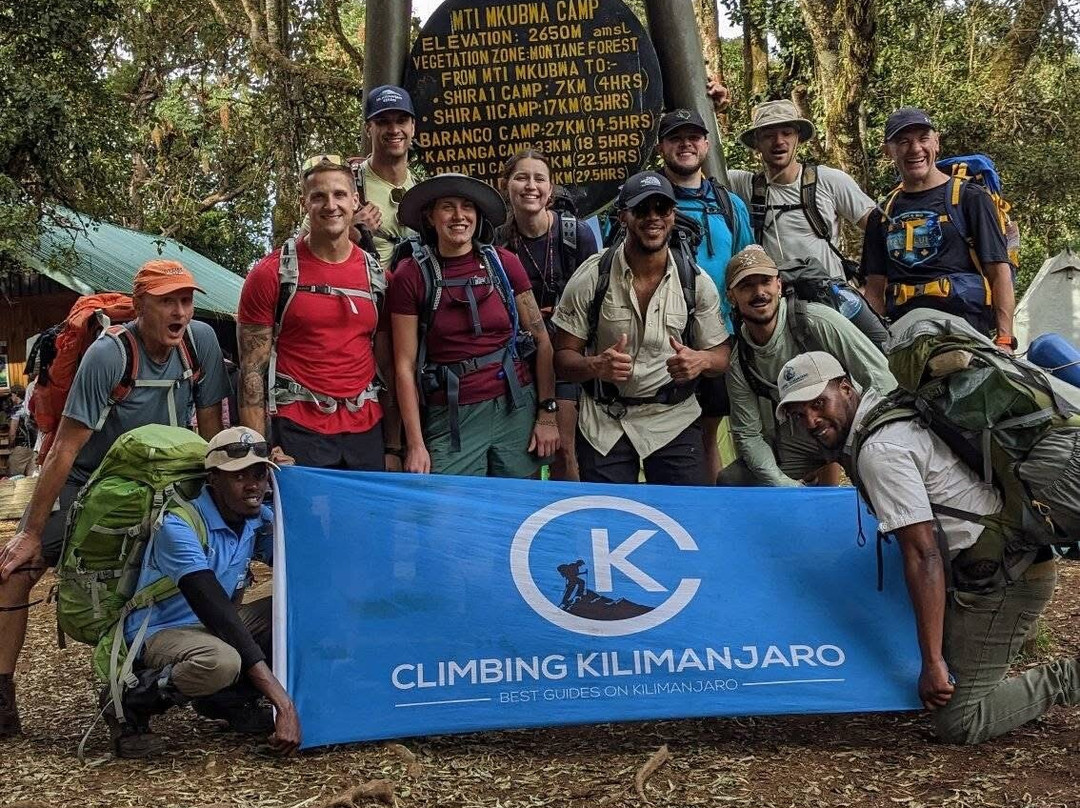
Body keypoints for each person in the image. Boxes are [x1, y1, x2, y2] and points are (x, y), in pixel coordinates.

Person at [777, 351, 1080, 744]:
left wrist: (932, 661)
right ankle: (1004, 642)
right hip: (1007, 559)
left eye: (819, 404)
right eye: (800, 415)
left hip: (1002, 579)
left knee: (960, 722)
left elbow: (924, 556)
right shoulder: (890, 413)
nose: (812, 422)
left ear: (846, 388)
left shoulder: (879, 450)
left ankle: (1069, 678)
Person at [0, 261, 230, 736]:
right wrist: (30, 533)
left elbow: (211, 430)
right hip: (90, 481)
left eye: (186, 300)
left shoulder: (200, 342)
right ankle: (2, 698)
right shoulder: (109, 355)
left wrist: (217, 503)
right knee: (14, 572)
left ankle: (147, 697)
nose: (180, 311)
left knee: (183, 574)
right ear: (141, 304)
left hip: (170, 479)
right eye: (167, 300)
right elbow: (65, 447)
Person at [103, 426, 300, 757]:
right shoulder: (178, 526)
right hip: (160, 631)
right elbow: (215, 611)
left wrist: (293, 492)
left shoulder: (255, 518)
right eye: (239, 476)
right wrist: (283, 702)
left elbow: (304, 562)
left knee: (294, 611)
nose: (253, 485)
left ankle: (228, 701)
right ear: (214, 480)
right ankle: (130, 703)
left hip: (212, 627)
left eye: (260, 473)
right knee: (220, 661)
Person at [553, 171, 732, 485]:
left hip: (673, 419)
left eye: (662, 208)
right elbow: (563, 358)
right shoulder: (593, 276)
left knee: (683, 520)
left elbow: (721, 356)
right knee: (610, 521)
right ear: (623, 216)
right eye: (642, 209)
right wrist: (595, 366)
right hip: (605, 423)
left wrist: (699, 361)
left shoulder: (695, 281)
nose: (653, 217)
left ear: (673, 216)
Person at [389, 173, 559, 477]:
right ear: (430, 216)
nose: (459, 216)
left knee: (516, 511)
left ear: (478, 215)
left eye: (467, 207)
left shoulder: (504, 263)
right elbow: (404, 365)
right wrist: (414, 443)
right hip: (452, 416)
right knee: (453, 515)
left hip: (514, 405)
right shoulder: (411, 276)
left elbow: (541, 339)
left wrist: (547, 413)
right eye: (447, 207)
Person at [239, 153, 400, 471]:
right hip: (297, 429)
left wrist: (394, 446)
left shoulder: (378, 277)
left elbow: (389, 365)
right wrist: (258, 452)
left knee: (361, 521)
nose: (331, 205)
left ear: (355, 201)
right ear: (304, 204)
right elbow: (251, 373)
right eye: (319, 196)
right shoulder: (271, 274)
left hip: (366, 429)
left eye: (340, 194)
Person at [719, 246, 895, 486]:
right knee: (734, 481)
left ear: (779, 285)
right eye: (747, 286)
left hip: (851, 425)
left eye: (766, 282)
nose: (759, 292)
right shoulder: (740, 359)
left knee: (881, 476)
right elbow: (748, 434)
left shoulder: (818, 321)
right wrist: (784, 486)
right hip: (800, 435)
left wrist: (874, 436)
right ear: (731, 297)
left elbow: (882, 378)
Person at [656, 109, 754, 483]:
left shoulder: (730, 204)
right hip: (665, 335)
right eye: (676, 137)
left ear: (706, 144)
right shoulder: (648, 201)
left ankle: (719, 504)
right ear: (662, 146)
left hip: (721, 336)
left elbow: (746, 265)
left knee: (715, 426)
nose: (686, 144)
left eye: (694, 137)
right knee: (674, 431)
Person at [861, 108, 1014, 344]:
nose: (915, 149)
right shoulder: (881, 215)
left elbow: (998, 272)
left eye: (923, 139)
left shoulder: (970, 198)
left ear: (937, 142)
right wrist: (873, 347)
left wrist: (1005, 340)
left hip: (965, 331)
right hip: (904, 335)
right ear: (887, 151)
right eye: (903, 142)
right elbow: (874, 290)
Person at [496, 149, 599, 480]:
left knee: (563, 450)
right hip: (515, 359)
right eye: (521, 177)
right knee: (519, 456)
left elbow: (596, 297)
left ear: (550, 190)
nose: (530, 186)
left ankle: (568, 522)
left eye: (539, 178)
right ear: (505, 185)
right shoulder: (496, 239)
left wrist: (562, 314)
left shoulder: (574, 234)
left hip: (564, 353)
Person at [723, 98, 876, 279]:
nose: (779, 141)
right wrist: (713, 104)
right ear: (756, 143)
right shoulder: (743, 185)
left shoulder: (829, 180)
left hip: (829, 297)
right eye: (769, 135)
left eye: (787, 133)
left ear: (798, 138)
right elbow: (695, 166)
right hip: (775, 301)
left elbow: (879, 227)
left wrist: (873, 282)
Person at [354, 85, 420, 267]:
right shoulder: (344, 186)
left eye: (402, 121)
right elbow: (302, 247)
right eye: (383, 122)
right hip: (363, 292)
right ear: (368, 128)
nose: (394, 129)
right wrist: (346, 232)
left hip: (411, 293)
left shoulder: (422, 189)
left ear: (412, 127)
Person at [5, 385, 35, 477]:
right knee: (31, 479)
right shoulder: (30, 406)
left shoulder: (16, 409)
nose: (10, 397)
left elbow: (13, 432)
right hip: (36, 447)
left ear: (16, 394)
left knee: (14, 477)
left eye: (11, 394)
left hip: (21, 447)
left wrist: (10, 446)